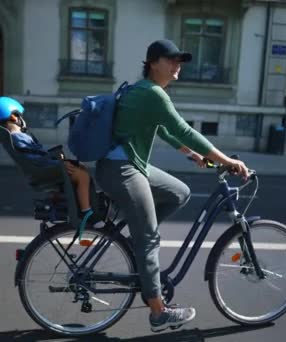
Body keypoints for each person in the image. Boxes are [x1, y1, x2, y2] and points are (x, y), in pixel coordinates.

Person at [95, 39, 251, 332]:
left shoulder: (145, 91)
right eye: (171, 60)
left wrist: (193, 156)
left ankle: (137, 236)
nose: (177, 65)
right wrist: (226, 160)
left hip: (127, 165)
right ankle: (158, 313)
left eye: (179, 61)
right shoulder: (153, 93)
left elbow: (165, 131)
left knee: (179, 192)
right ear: (153, 63)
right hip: (122, 169)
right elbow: (184, 129)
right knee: (150, 239)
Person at [0, 97, 105, 228]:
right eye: (20, 116)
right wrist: (57, 162)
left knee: (81, 169)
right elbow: (36, 156)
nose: (23, 120)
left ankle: (86, 206)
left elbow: (35, 155)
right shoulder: (18, 136)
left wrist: (56, 160)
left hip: (43, 167)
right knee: (82, 175)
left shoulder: (15, 137)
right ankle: (88, 213)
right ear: (13, 117)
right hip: (44, 169)